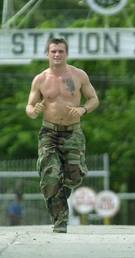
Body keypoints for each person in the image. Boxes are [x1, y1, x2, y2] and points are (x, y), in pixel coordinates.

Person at [26, 38, 99, 233]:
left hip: (73, 131)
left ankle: (60, 191)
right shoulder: (40, 79)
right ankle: (60, 220)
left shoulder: (78, 75)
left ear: (66, 53)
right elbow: (30, 107)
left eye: (60, 51)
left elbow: (93, 99)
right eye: (53, 51)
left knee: (74, 176)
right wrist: (34, 111)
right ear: (48, 54)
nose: (57, 55)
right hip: (49, 132)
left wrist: (83, 109)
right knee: (51, 176)